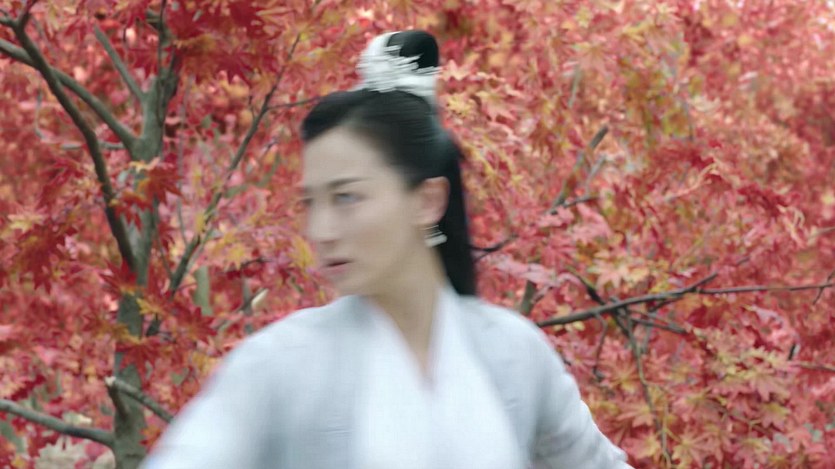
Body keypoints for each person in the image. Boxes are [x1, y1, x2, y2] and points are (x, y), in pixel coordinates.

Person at [141, 30, 633, 469]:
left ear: (427, 200)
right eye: (311, 203)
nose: (321, 230)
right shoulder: (279, 364)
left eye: (347, 197)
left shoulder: (514, 353)